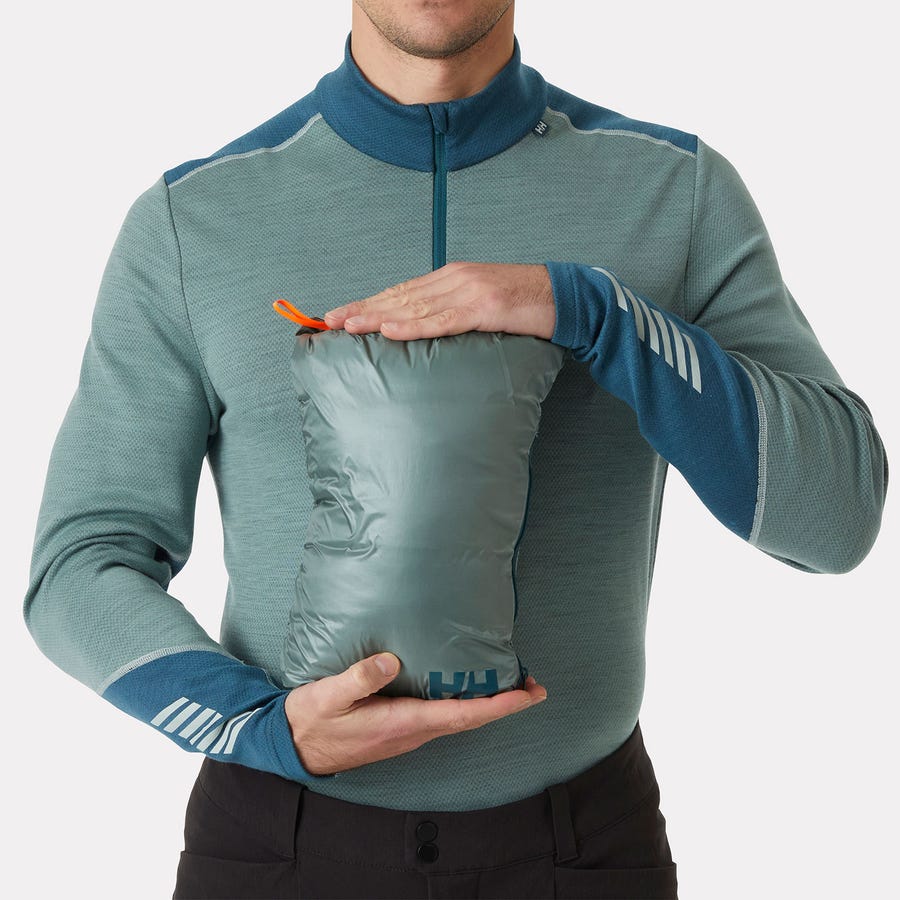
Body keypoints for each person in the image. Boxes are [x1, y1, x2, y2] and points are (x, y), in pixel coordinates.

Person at [22, 1, 888, 898]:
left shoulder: (674, 192)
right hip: (277, 839)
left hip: (582, 847)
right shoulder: (193, 219)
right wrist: (254, 725)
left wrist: (595, 312)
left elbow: (837, 518)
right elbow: (80, 566)